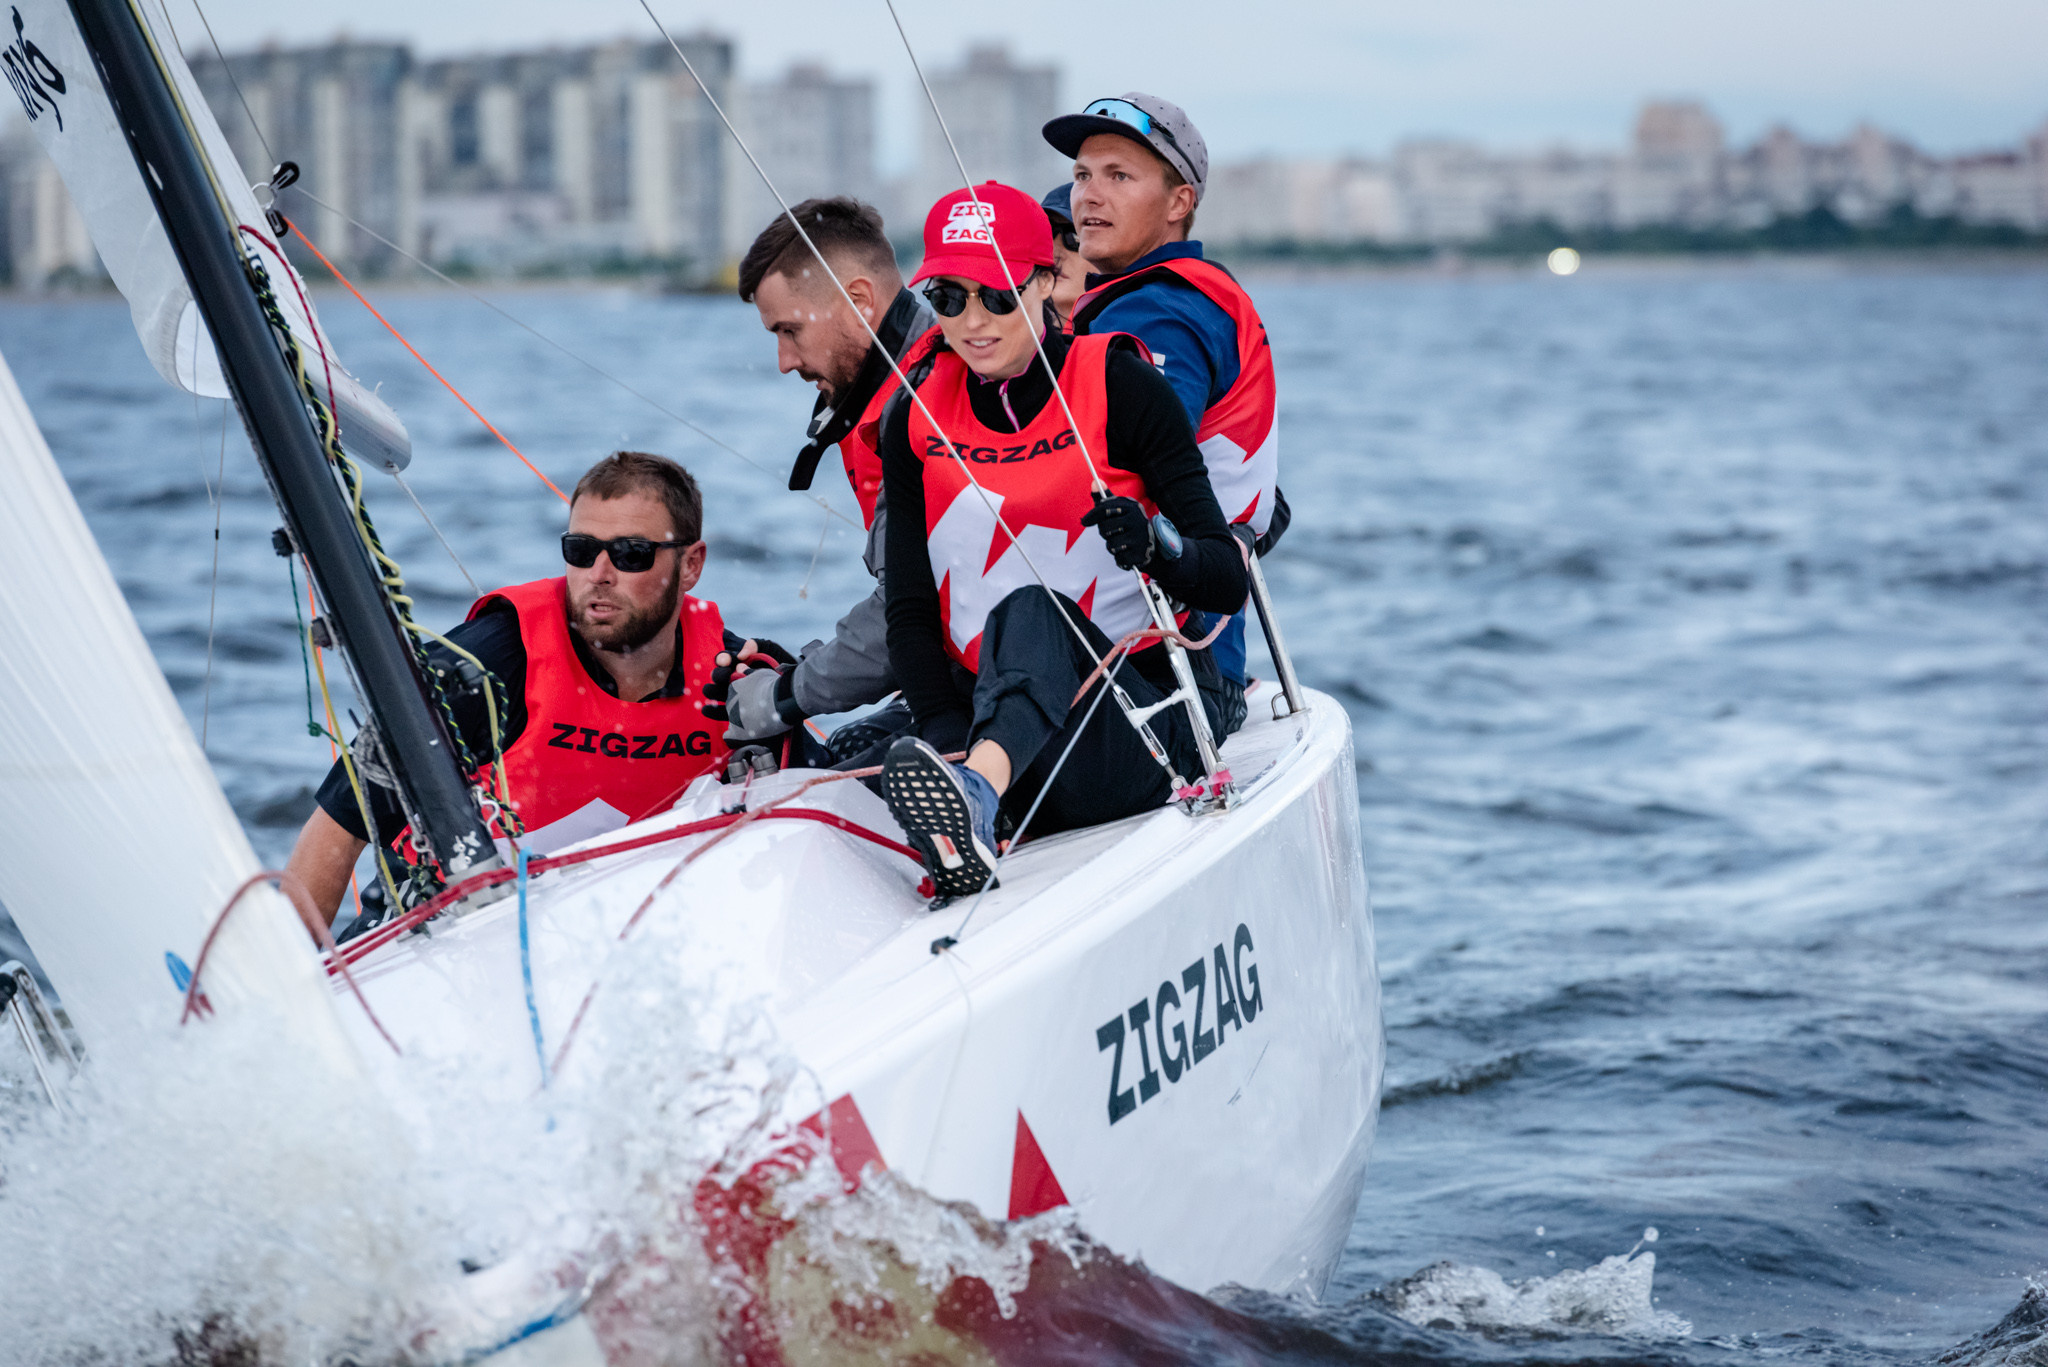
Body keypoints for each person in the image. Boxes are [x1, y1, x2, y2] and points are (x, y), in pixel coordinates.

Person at [877, 183, 1249, 900]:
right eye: (950, 299)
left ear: (1046, 281)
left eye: (996, 295)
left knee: (1030, 611)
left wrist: (1155, 546)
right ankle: (971, 788)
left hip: (1135, 735)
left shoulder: (1123, 384)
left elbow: (1224, 579)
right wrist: (950, 740)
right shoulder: (915, 414)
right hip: (998, 736)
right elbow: (911, 613)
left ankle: (975, 796)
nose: (973, 322)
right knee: (850, 747)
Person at [284, 452, 752, 929]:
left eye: (632, 554)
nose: (599, 574)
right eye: (581, 550)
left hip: (626, 931)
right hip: (441, 933)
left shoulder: (736, 678)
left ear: (691, 565)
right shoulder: (486, 664)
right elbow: (338, 829)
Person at [1042, 94, 1287, 725]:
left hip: (1163, 675)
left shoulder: (1155, 314)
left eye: (1118, 176)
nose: (1089, 197)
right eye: (1081, 175)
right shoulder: (1180, 294)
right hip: (1179, 658)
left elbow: (1124, 466)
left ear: (1179, 203)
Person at [730, 197, 939, 758]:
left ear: (859, 300)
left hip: (1024, 694)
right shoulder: (888, 386)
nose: (783, 360)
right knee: (844, 748)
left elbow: (917, 607)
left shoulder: (926, 406)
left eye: (790, 330)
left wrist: (781, 695)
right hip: (964, 674)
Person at [1040, 182, 1087, 330]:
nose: (1054, 254)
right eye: (1047, 234)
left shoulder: (1130, 338)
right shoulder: (1007, 340)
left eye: (1075, 237)